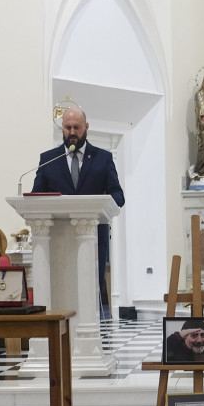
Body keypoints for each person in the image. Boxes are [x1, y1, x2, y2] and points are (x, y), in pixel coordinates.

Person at [32, 107, 125, 318]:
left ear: (86, 128)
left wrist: (101, 205)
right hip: (57, 238)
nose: (72, 132)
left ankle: (89, 336)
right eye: (67, 127)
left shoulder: (103, 158)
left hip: (92, 236)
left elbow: (118, 195)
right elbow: (36, 197)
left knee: (89, 286)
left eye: (77, 127)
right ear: (62, 128)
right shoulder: (49, 160)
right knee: (60, 284)